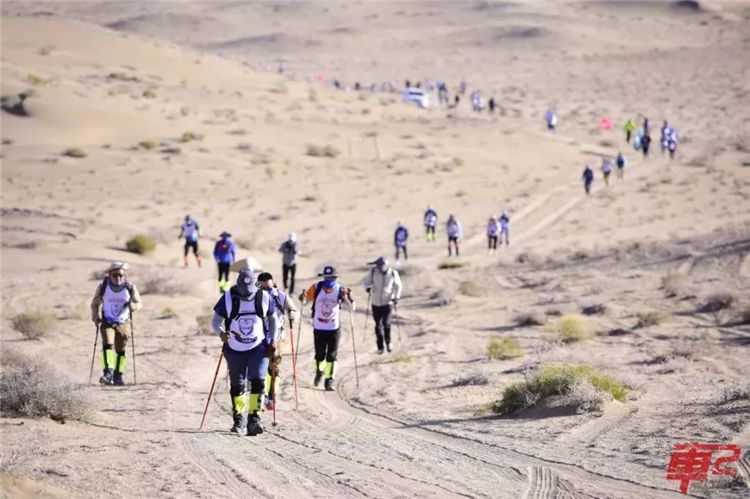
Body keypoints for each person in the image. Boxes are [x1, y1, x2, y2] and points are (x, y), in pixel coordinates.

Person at [210, 268, 277, 436]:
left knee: (258, 383)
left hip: (259, 348)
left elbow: (273, 318)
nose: (246, 293)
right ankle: (239, 419)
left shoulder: (264, 297)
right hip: (234, 350)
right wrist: (221, 333)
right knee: (237, 386)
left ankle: (254, 419)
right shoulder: (228, 298)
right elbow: (215, 321)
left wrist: (273, 340)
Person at [299, 266, 355, 391]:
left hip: (334, 328)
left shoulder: (340, 289)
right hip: (319, 327)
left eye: (331, 278)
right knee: (319, 355)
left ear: (335, 278)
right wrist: (302, 297)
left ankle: (329, 380)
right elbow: (305, 302)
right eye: (326, 277)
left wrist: (348, 299)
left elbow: (351, 307)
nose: (328, 280)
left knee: (332, 355)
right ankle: (319, 372)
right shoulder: (316, 287)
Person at [90, 261, 142, 386]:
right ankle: (108, 374)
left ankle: (118, 376)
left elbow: (138, 302)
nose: (118, 277)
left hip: (123, 323)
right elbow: (95, 303)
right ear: (109, 275)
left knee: (121, 350)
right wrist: (96, 317)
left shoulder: (130, 287)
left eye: (121, 275)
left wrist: (133, 306)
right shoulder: (103, 286)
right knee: (108, 345)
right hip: (107, 321)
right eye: (115, 275)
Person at [257, 272, 298, 411]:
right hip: (259, 338)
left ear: (273, 284)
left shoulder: (281, 296)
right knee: (260, 368)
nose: (266, 291)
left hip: (278, 337)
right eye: (263, 288)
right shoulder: (254, 296)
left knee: (274, 367)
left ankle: (271, 395)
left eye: (268, 288)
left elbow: (293, 309)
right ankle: (261, 396)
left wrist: (292, 314)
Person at [363, 257, 402, 354]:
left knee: (386, 322)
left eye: (381, 267)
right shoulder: (373, 272)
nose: (379, 269)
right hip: (375, 303)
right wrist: (368, 288)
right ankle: (380, 347)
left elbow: (398, 286)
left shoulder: (393, 274)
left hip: (388, 302)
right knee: (378, 325)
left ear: (386, 266)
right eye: (378, 267)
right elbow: (366, 283)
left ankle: (388, 343)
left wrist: (396, 297)